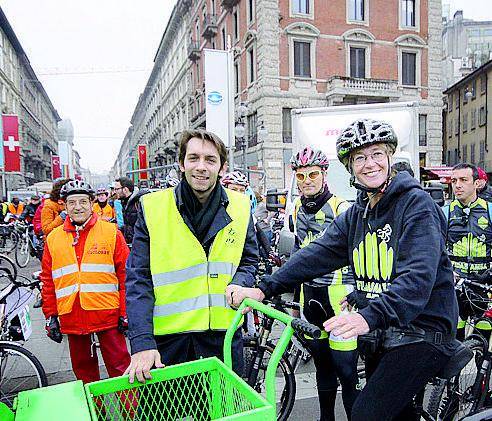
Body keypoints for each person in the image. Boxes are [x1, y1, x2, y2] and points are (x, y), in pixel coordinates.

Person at [229, 119, 458, 421]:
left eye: (377, 154)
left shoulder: (417, 206)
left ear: (390, 157)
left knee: (365, 414)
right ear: (350, 168)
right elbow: (317, 254)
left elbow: (417, 280)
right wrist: (263, 287)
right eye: (359, 158)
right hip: (384, 330)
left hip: (422, 332)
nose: (370, 164)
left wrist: (367, 316)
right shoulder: (359, 212)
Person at [124, 129, 258, 384]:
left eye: (210, 160)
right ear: (181, 164)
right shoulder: (153, 208)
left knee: (224, 414)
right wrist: (141, 342)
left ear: (222, 167)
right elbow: (138, 278)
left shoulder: (241, 206)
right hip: (167, 343)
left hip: (223, 338)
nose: (201, 167)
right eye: (193, 158)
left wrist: (240, 281)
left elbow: (249, 260)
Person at [287, 146, 359, 421]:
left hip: (340, 299)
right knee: (322, 368)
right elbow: (297, 256)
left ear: (324, 174)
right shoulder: (295, 207)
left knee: (346, 371)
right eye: (301, 176)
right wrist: (295, 303)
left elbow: (358, 253)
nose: (307, 181)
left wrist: (358, 293)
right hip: (310, 298)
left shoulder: (341, 208)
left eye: (313, 174)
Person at [40, 180, 130, 384]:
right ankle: (95, 413)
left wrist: (125, 312)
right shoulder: (53, 238)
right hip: (72, 316)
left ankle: (129, 414)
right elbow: (48, 280)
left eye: (83, 201)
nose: (78, 207)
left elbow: (126, 276)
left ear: (91, 204)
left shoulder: (111, 233)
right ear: (65, 206)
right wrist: (50, 315)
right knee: (84, 376)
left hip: (108, 315)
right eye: (72, 202)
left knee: (121, 369)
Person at [443, 163, 492, 341]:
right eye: (454, 180)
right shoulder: (445, 213)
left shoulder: (489, 211)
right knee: (454, 346)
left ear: (476, 183)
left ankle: (482, 367)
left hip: (483, 286)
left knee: (482, 340)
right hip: (455, 285)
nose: (457, 185)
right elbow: (435, 250)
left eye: (464, 180)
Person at [114, 177, 148, 244]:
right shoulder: (124, 202)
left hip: (139, 244)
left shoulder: (139, 201)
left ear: (125, 189)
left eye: (117, 189)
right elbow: (128, 225)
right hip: (131, 243)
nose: (115, 191)